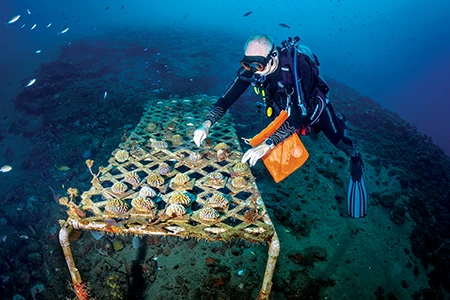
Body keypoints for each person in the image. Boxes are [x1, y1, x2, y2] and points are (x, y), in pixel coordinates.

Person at [193, 34, 367, 218]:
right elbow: (228, 97)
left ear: (273, 56)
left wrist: (266, 145)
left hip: (311, 109)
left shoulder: (297, 66)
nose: (254, 71)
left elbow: (300, 115)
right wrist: (207, 123)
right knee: (290, 131)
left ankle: (354, 155)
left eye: (259, 65)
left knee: (336, 139)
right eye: (248, 65)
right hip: (285, 111)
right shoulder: (254, 68)